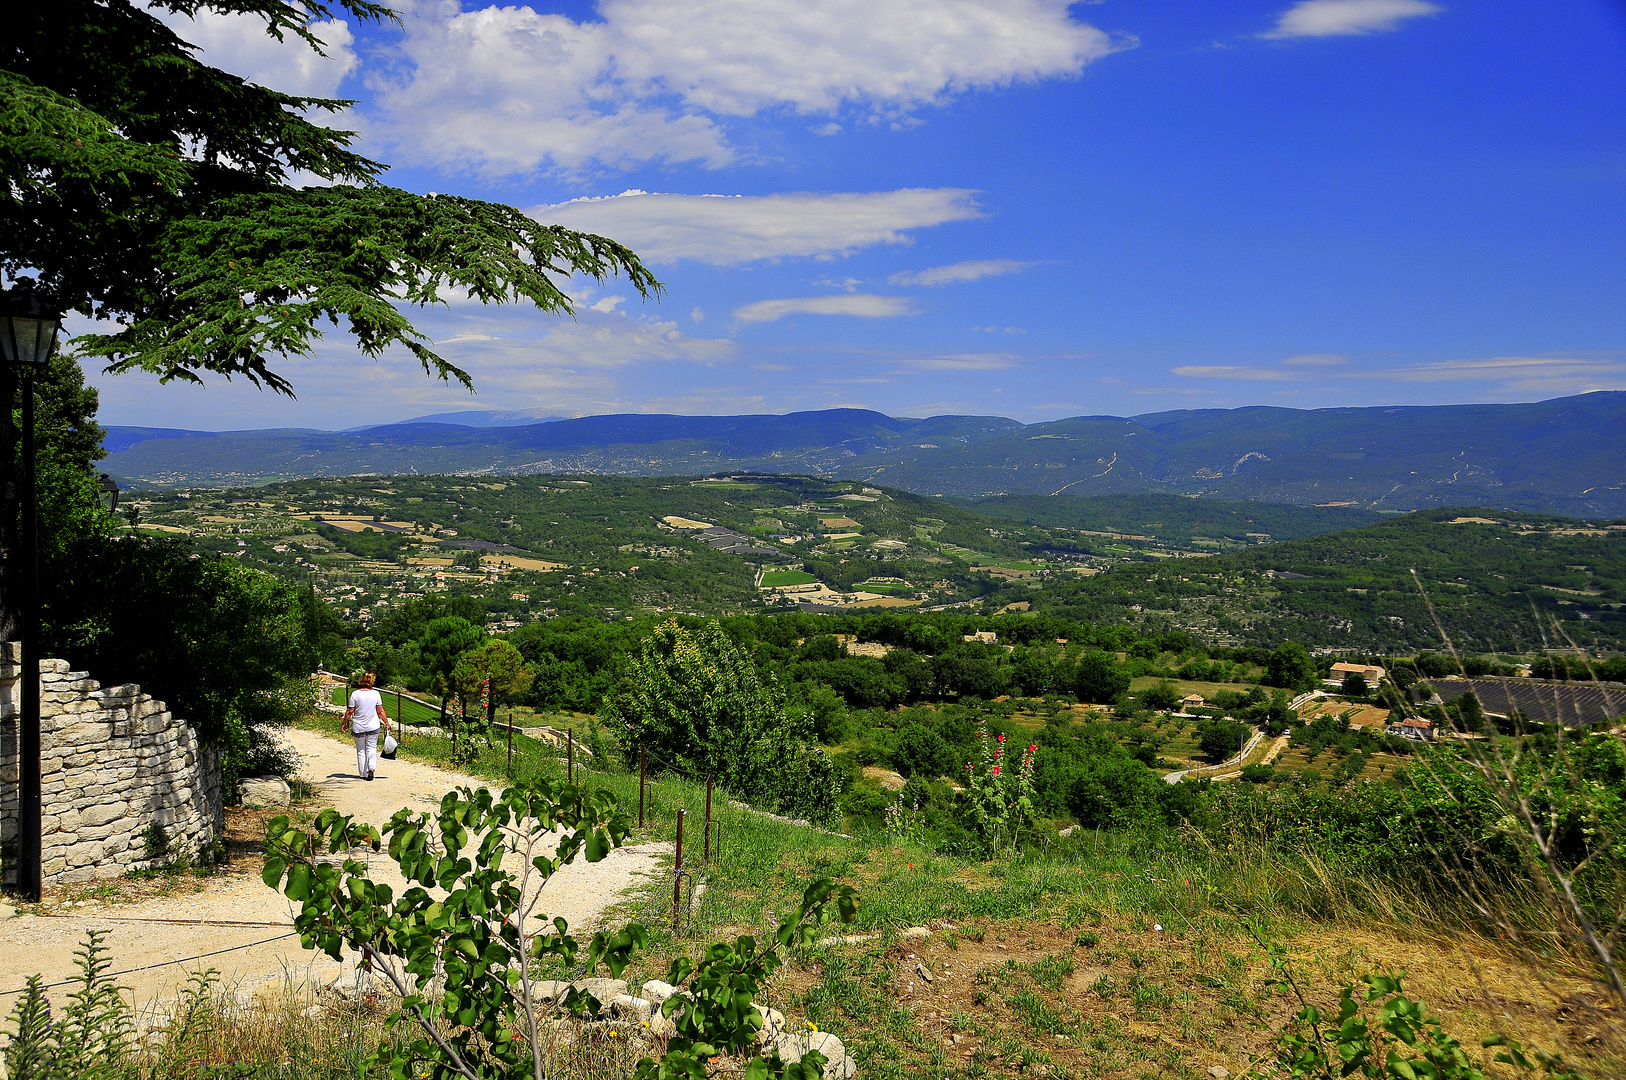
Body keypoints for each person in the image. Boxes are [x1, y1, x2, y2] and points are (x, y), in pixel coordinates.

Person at [342, 672, 390, 780]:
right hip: (373, 726)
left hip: (358, 726)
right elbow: (380, 711)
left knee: (361, 750)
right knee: (371, 748)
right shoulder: (376, 694)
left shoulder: (355, 694)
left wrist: (344, 723)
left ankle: (363, 774)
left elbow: (350, 711)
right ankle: (371, 768)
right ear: (371, 681)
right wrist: (386, 723)